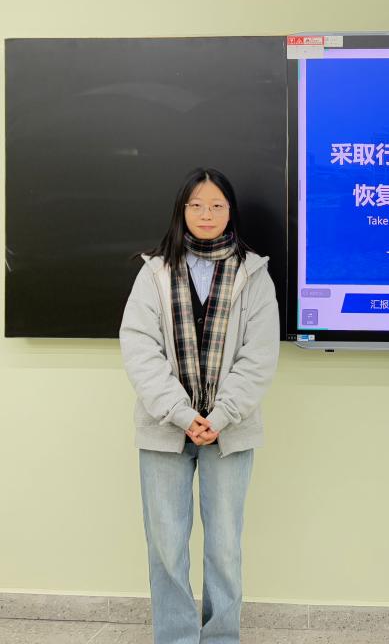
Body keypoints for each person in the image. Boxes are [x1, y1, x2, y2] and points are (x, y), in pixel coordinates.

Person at [120, 168, 280, 644]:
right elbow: (139, 349)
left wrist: (220, 416)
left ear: (230, 212)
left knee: (224, 546)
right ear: (181, 210)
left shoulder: (254, 274)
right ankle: (175, 638)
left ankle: (221, 637)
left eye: (216, 205)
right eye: (196, 205)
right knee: (166, 547)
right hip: (164, 428)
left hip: (230, 430)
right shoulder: (154, 272)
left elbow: (259, 356)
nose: (206, 214)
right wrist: (184, 414)